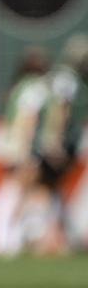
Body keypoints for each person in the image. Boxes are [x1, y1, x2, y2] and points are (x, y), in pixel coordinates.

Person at [0, 47, 50, 255]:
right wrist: (27, 147)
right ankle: (4, 240)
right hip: (21, 143)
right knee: (15, 190)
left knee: (11, 189)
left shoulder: (18, 87)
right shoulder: (35, 88)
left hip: (10, 140)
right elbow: (27, 117)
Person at [30, 35, 88, 253]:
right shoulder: (67, 79)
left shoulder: (58, 77)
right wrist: (54, 140)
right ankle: (45, 236)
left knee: (50, 189)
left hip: (51, 140)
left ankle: (54, 236)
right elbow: (59, 110)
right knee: (45, 189)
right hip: (59, 142)